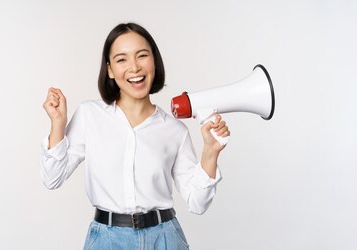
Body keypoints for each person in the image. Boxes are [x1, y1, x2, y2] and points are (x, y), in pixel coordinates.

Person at [41, 23, 230, 250]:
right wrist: (58, 124)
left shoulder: (175, 130)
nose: (134, 67)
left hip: (165, 239)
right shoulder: (89, 115)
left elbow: (197, 203)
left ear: (154, 61)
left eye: (142, 56)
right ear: (110, 69)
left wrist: (210, 152)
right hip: (106, 241)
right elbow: (53, 178)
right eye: (122, 59)